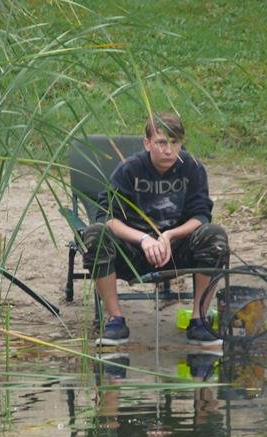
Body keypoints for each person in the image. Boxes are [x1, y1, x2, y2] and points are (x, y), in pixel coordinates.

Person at [82, 112, 229, 346]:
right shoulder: (129, 170)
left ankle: (199, 320)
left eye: (175, 143)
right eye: (161, 143)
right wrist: (143, 239)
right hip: (133, 250)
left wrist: (169, 235)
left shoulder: (192, 168)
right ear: (147, 143)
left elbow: (201, 216)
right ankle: (115, 320)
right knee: (95, 234)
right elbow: (107, 218)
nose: (168, 150)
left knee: (215, 235)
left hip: (175, 250)